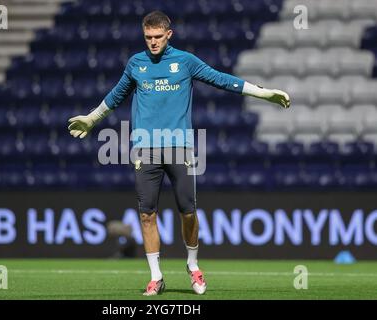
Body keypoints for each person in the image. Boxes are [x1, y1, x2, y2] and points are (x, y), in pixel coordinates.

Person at [68, 11, 290, 296]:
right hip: (145, 150)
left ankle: (193, 265)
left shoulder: (185, 62)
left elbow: (221, 79)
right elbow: (115, 95)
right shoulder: (136, 63)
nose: (152, 42)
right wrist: (91, 118)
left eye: (158, 37)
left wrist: (264, 93)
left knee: (188, 212)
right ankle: (156, 276)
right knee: (147, 214)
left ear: (169, 34)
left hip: (179, 147)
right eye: (148, 37)